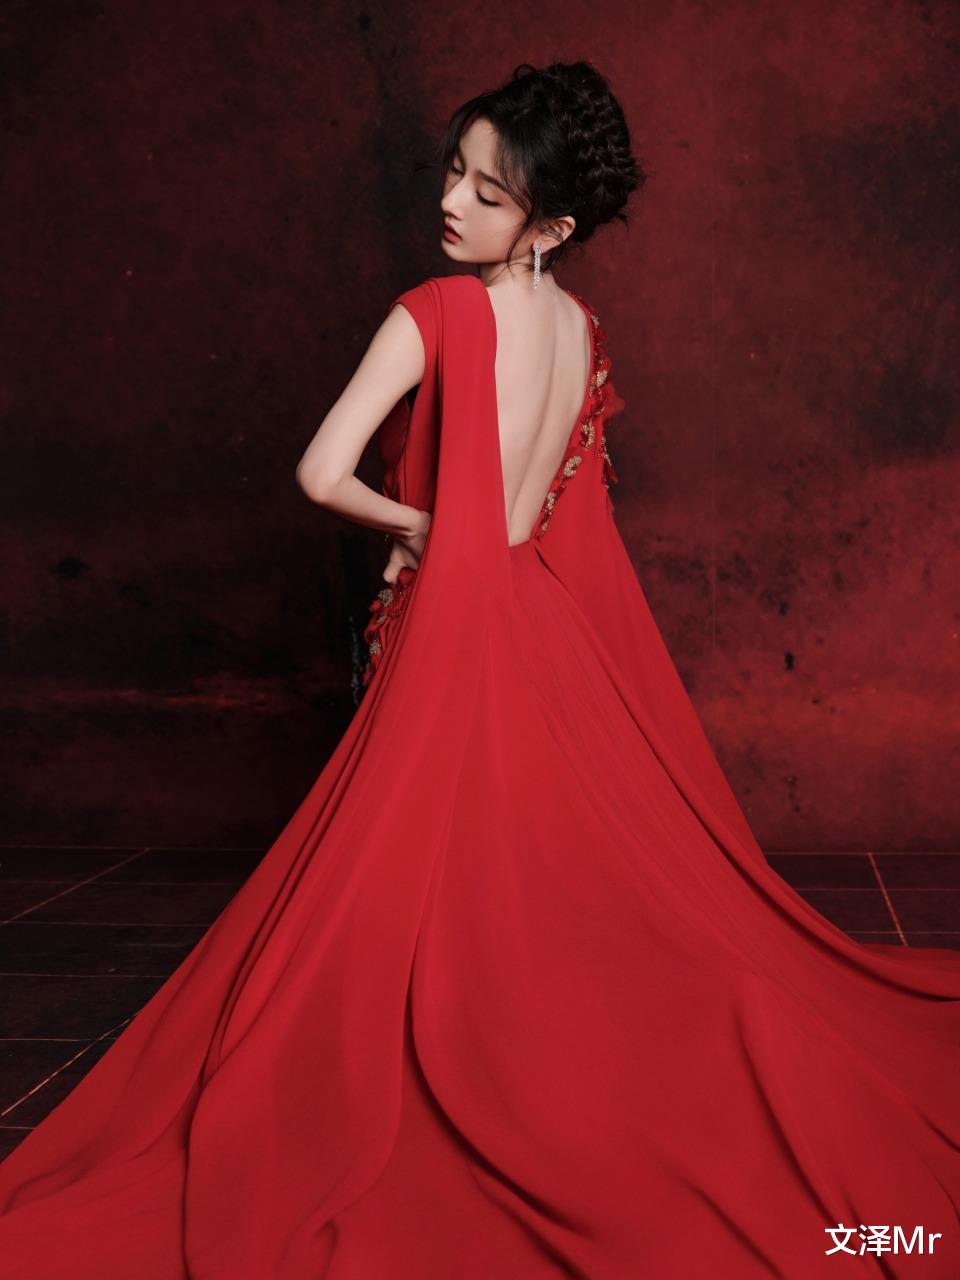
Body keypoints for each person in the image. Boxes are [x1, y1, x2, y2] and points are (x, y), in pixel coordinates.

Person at [1, 58, 958, 1280]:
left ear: (549, 224)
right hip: (541, 628)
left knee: (431, 890)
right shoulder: (580, 329)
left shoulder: (437, 312)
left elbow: (319, 474)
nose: (452, 202)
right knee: (533, 890)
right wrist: (470, 539)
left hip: (455, 630)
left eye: (489, 194)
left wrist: (418, 529)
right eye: (453, 170)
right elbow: (547, 515)